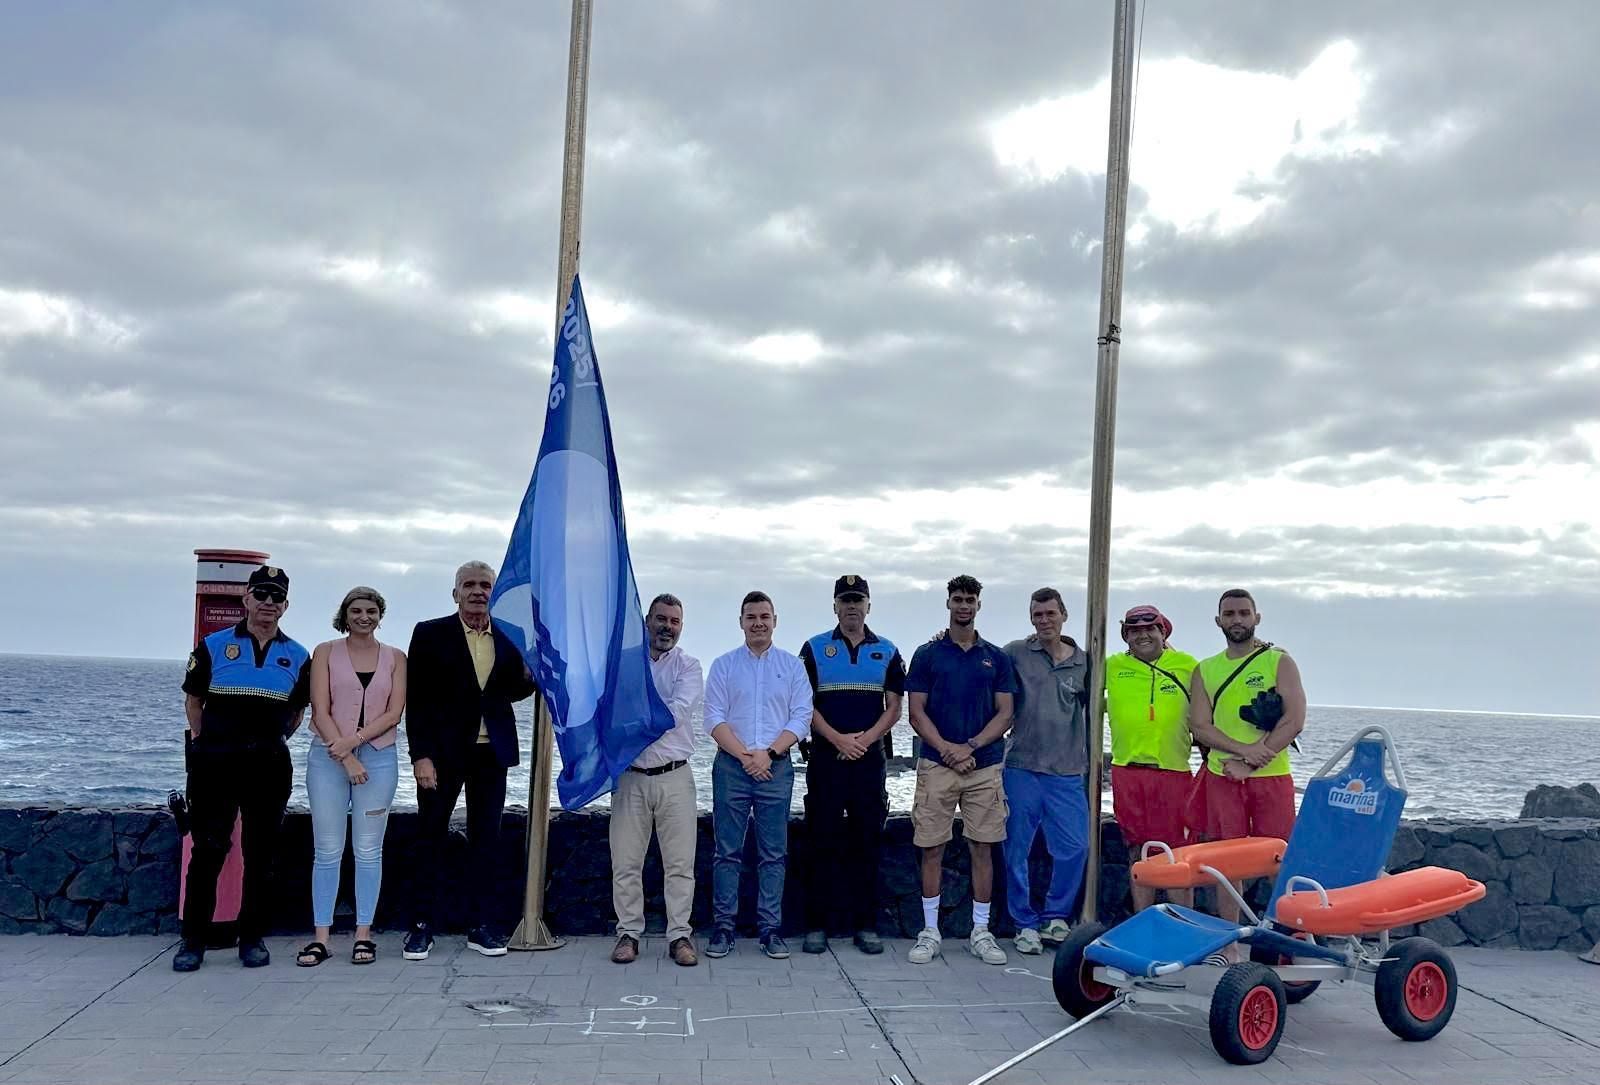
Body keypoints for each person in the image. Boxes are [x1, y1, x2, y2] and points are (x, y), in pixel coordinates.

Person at [174, 565, 311, 972]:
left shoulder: (298, 655)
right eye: (261, 595)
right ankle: (193, 943)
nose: (268, 603)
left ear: (285, 606)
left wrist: (269, 741)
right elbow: (194, 703)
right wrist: (207, 745)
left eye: (276, 597)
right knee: (208, 852)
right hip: (216, 764)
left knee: (261, 855)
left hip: (268, 765)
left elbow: (296, 713)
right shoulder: (212, 646)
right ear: (246, 599)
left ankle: (252, 939)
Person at [403, 560, 538, 961]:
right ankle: (421, 926)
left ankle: (482, 926)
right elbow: (418, 699)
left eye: (485, 585)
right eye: (469, 585)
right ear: (456, 592)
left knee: (487, 840)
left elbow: (511, 690)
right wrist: (420, 756)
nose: (478, 591)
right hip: (443, 754)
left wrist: (531, 675)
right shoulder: (430, 634)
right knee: (430, 837)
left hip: (490, 752)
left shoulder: (510, 637)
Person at [905, 575, 1016, 967]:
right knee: (931, 847)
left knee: (982, 847)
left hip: (983, 766)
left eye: (970, 600)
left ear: (979, 605)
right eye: (957, 599)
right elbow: (916, 711)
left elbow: (1005, 712)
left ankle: (980, 931)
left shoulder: (996, 658)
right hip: (937, 764)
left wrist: (969, 747)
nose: (964, 606)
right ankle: (930, 931)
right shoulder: (928, 653)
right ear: (948, 603)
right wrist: (948, 750)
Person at [1188, 588, 1306, 941]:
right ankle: (1231, 937)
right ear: (1218, 620)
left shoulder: (1279, 661)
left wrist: (1254, 762)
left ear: (1257, 617)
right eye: (1229, 614)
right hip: (1224, 776)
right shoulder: (1205, 669)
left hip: (1271, 778)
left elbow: (1294, 720)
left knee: (1280, 857)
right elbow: (1200, 726)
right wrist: (1243, 752)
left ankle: (1292, 934)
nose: (1236, 619)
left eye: (1243, 613)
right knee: (1227, 860)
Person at [298, 586, 406, 968]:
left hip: (378, 757)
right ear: (345, 614)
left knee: (368, 851)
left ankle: (364, 935)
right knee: (327, 851)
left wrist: (357, 743)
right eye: (357, 610)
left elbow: (394, 712)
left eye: (372, 610)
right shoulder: (325, 652)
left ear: (381, 615)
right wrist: (345, 757)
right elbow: (319, 708)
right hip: (328, 758)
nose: (364, 616)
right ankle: (321, 938)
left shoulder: (396, 657)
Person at [798, 575, 905, 956]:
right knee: (820, 842)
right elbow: (803, 706)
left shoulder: (888, 651)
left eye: (858, 600)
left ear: (869, 605)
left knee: (866, 843)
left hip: (868, 760)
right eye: (845, 600)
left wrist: (863, 740)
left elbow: (893, 708)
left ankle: (866, 925)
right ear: (835, 606)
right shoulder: (814, 648)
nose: (852, 607)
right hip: (826, 758)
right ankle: (816, 926)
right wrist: (839, 739)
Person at [703, 591, 812, 960]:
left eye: (764, 616)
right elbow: (713, 718)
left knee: (773, 853)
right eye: (751, 617)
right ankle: (723, 928)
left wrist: (769, 753)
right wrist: (746, 756)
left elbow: (801, 717)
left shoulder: (792, 667)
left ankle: (770, 930)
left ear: (775, 620)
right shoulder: (723, 665)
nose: (758, 623)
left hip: (776, 767)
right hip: (732, 767)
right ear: (741, 622)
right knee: (726, 852)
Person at [610, 593, 705, 967]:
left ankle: (679, 935)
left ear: (681, 627)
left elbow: (676, 711)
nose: (667, 626)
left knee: (680, 864)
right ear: (647, 620)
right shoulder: (622, 664)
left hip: (674, 777)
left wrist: (634, 717)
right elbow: (610, 709)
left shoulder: (689, 666)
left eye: (675, 621)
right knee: (626, 862)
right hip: (630, 777)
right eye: (661, 619)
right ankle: (628, 933)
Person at [1000, 588, 1091, 955]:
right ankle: (1024, 922)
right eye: (1037, 615)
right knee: (1016, 849)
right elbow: (982, 661)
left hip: (1067, 771)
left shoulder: (1085, 661)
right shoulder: (1017, 652)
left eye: (1050, 614)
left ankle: (1056, 916)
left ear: (1064, 615)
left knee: (1075, 846)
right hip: (1021, 767)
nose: (1044, 621)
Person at [1104, 604, 1198, 913]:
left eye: (1150, 629)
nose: (1143, 635)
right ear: (1125, 636)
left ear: (1163, 632)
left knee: (1177, 855)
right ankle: (1143, 922)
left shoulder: (1187, 665)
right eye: (1134, 631)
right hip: (1127, 772)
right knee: (1137, 851)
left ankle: (1183, 926)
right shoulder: (1113, 665)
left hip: (1173, 773)